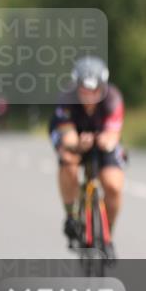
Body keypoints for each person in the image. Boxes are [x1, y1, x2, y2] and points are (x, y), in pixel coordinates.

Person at [49, 56, 126, 253]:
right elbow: (68, 138)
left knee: (113, 186)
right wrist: (78, 144)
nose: (90, 95)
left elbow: (112, 136)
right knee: (68, 160)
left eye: (94, 90)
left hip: (101, 141)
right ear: (76, 87)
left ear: (103, 87)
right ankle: (72, 216)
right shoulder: (66, 100)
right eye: (84, 90)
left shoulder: (113, 98)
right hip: (74, 139)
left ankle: (107, 236)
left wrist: (104, 140)